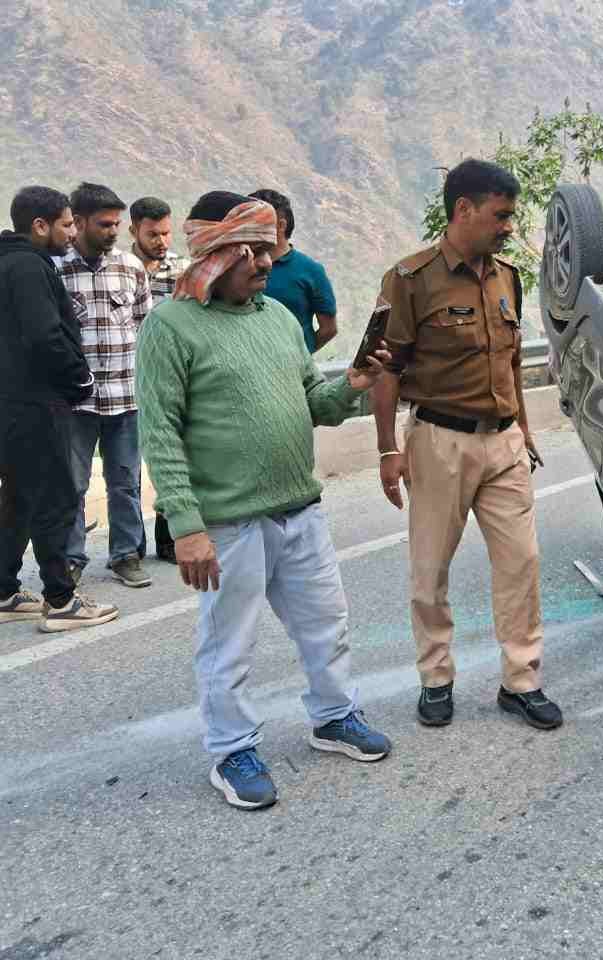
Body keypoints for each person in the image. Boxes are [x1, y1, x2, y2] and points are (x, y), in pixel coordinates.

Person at [137, 191, 392, 810]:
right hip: (227, 524)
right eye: (249, 249)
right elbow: (159, 432)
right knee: (229, 643)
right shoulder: (169, 327)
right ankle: (231, 751)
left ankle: (334, 717)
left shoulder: (278, 318)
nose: (265, 261)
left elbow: (316, 403)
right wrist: (188, 526)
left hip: (298, 509)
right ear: (213, 254)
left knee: (325, 624)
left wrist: (354, 384)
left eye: (268, 247)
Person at [371, 159, 560, 732]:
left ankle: (521, 681)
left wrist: (523, 429)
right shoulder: (409, 279)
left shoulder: (508, 276)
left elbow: (507, 360)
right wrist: (387, 450)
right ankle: (436, 678)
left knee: (522, 563)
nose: (508, 226)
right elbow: (386, 369)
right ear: (464, 210)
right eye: (501, 216)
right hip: (438, 440)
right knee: (430, 569)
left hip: (502, 442)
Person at [0, 187, 119, 633]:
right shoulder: (30, 267)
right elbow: (44, 336)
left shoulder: (5, 263)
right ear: (39, 226)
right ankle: (61, 601)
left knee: (18, 497)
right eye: (67, 224)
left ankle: (5, 591)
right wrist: (80, 378)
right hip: (36, 402)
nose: (72, 233)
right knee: (54, 497)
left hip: (10, 402)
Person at [56, 183, 153, 589]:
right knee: (72, 485)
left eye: (117, 223)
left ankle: (126, 555)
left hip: (125, 398)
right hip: (75, 403)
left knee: (126, 482)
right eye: (104, 224)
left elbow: (146, 326)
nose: (113, 231)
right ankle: (71, 558)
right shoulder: (56, 270)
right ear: (78, 223)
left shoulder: (130, 267)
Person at [129, 196, 192, 564]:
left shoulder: (183, 270)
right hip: (128, 379)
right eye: (153, 234)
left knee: (174, 456)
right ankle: (128, 549)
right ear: (134, 229)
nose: (162, 241)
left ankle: (169, 539)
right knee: (127, 470)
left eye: (167, 233)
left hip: (172, 378)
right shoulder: (119, 268)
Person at [246, 189, 337, 354]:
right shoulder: (240, 266)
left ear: (281, 225)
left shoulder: (310, 270)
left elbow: (328, 329)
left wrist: (300, 357)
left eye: (257, 220)